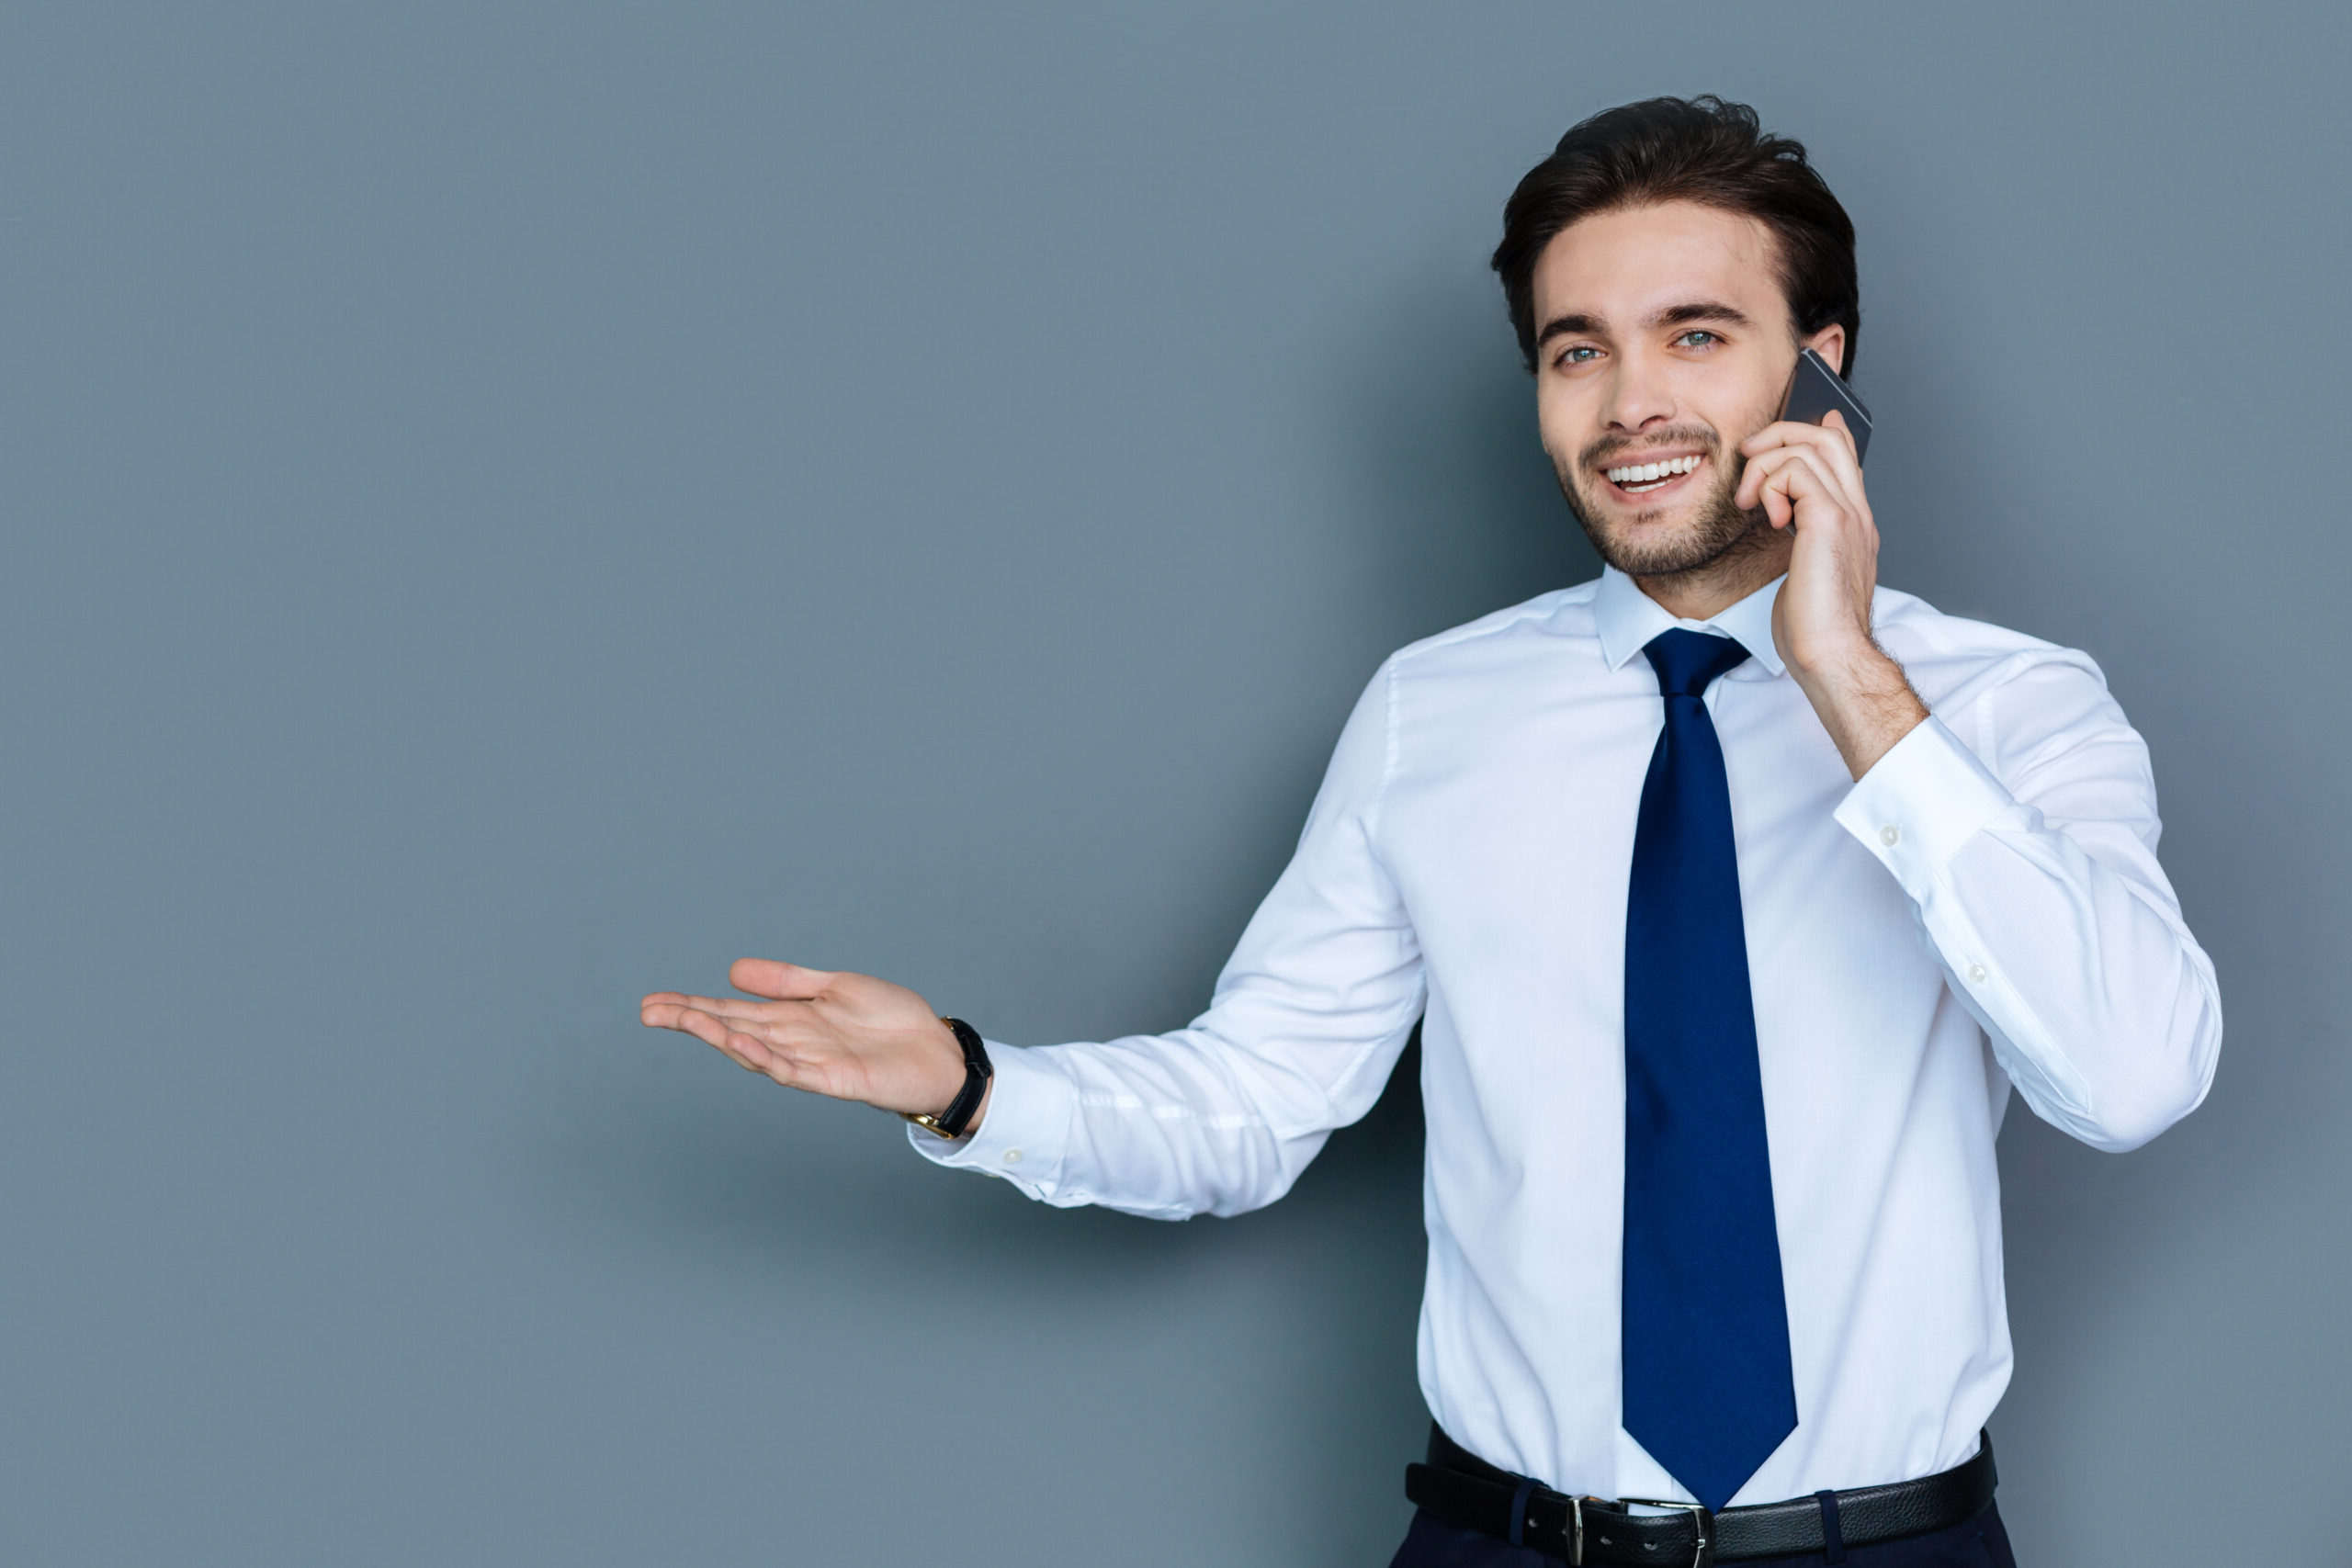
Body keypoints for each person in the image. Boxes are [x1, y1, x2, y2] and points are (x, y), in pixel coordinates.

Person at [641, 96, 2220, 1566]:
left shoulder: (2006, 708)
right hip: (1502, 1545)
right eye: (1577, 350)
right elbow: (1259, 1098)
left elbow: (2134, 1077)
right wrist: (973, 1082)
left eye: (1697, 335)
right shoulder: (1434, 711)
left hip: (1885, 1549)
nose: (1632, 403)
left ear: (1821, 369)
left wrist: (1850, 680)